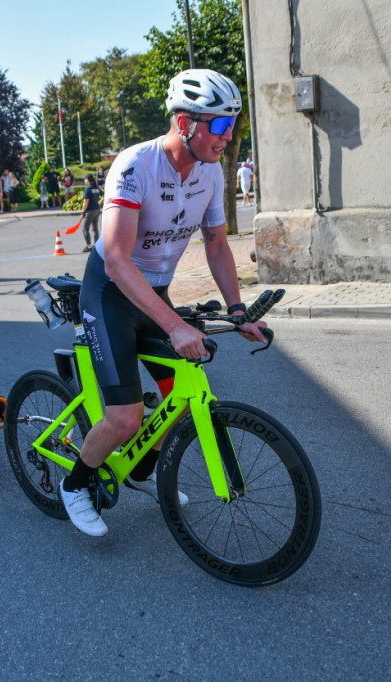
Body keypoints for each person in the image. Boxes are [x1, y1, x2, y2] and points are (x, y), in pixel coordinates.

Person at [59, 68, 267, 536]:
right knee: (125, 417)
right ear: (183, 123)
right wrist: (174, 325)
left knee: (181, 400)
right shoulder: (136, 166)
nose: (227, 135)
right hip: (111, 292)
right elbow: (115, 259)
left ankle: (138, 472)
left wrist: (238, 311)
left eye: (233, 123)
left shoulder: (212, 172)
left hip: (154, 293)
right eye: (217, 124)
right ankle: (74, 485)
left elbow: (216, 243)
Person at [78, 173, 103, 252]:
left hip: (90, 211)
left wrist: (83, 212)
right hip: (97, 210)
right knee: (95, 228)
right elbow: (104, 195)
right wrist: (99, 203)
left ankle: (89, 246)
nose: (84, 180)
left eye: (85, 179)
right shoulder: (96, 187)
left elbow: (86, 201)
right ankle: (96, 245)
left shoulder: (88, 189)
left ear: (88, 180)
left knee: (85, 228)